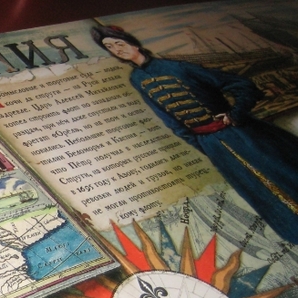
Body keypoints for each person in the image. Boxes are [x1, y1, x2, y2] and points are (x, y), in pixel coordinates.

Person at [91, 25, 298, 243]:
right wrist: (201, 144)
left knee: (284, 173)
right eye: (109, 47)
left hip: (243, 134)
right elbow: (169, 119)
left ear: (134, 44)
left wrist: (235, 114)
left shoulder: (177, 67)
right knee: (256, 190)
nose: (117, 49)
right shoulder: (137, 78)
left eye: (119, 43)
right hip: (212, 145)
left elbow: (243, 85)